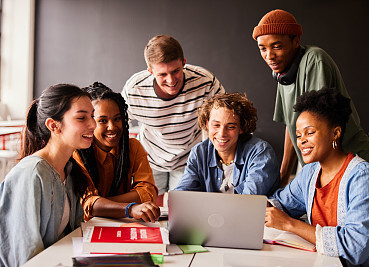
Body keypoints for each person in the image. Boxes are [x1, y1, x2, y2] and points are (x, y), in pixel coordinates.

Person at [265, 88, 369, 266]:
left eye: (310, 132)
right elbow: (281, 204)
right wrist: (261, 207)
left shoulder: (363, 178)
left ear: (335, 133)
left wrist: (290, 224)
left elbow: (354, 248)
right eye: (298, 135)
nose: (301, 141)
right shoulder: (310, 172)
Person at [252, 9, 369, 186]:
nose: (269, 56)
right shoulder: (283, 74)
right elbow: (291, 127)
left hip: (352, 166)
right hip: (323, 171)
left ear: (296, 41)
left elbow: (317, 125)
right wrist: (283, 176)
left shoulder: (315, 60)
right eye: (263, 48)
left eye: (277, 46)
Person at [0, 84, 95, 266]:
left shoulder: (69, 170)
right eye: (82, 117)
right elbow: (24, 255)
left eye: (92, 116)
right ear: (54, 126)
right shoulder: (31, 173)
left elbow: (74, 235)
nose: (93, 124)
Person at [121, 35, 225, 195]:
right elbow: (118, 122)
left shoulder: (205, 82)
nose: (171, 80)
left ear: (184, 62)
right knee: (148, 211)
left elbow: (224, 117)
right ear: (150, 71)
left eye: (176, 71)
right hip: (150, 159)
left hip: (189, 160)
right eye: (162, 74)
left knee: (180, 212)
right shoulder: (135, 89)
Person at [73, 82, 160, 222]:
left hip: (124, 223)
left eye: (117, 119)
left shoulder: (132, 146)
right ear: (89, 122)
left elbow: (147, 191)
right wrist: (129, 208)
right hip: (88, 227)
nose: (112, 127)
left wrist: (102, 203)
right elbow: (88, 204)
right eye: (102, 121)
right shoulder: (78, 153)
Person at [175, 93, 280, 195]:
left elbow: (249, 203)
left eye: (231, 127)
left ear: (242, 127)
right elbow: (181, 195)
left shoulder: (260, 152)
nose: (222, 134)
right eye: (216, 125)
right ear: (207, 124)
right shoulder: (199, 152)